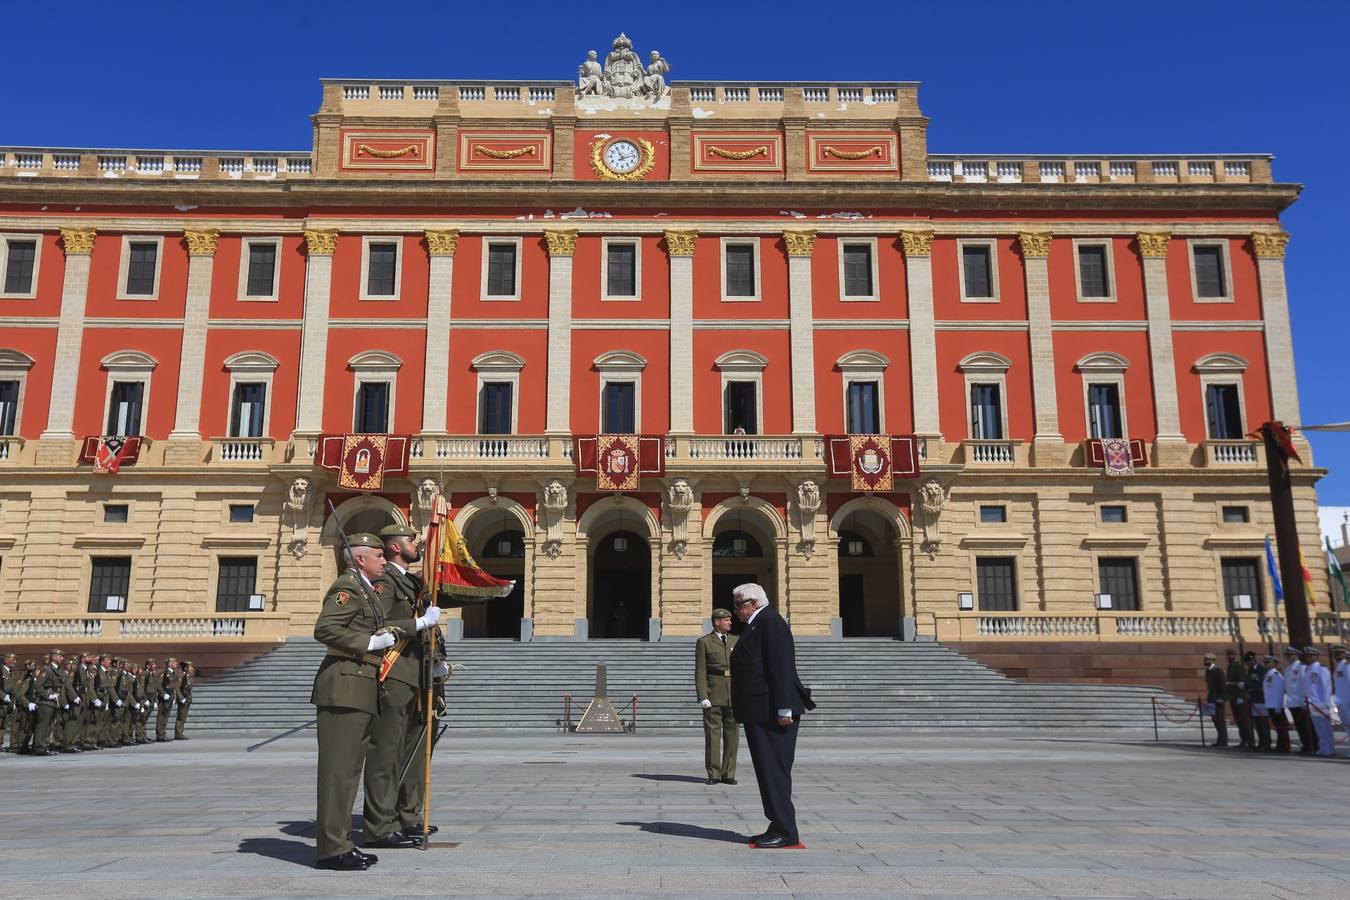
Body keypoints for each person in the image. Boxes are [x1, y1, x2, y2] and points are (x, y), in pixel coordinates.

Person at [311, 532, 401, 871]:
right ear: (361, 558)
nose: (383, 561)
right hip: (344, 688)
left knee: (348, 774)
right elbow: (325, 629)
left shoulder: (366, 590)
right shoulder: (347, 588)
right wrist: (370, 642)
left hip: (360, 687)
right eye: (379, 555)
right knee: (338, 774)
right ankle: (332, 849)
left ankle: (341, 844)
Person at [363, 523, 441, 850]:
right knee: (388, 751)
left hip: (417, 674)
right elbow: (377, 623)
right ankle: (381, 825)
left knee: (413, 747)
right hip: (394, 673)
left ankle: (407, 815)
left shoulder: (410, 581)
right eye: (411, 540)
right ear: (397, 547)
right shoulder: (384, 581)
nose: (416, 543)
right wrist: (419, 623)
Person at [729, 583, 808, 849]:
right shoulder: (757, 623)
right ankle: (777, 823)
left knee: (774, 770)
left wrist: (784, 707)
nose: (736, 610)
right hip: (760, 711)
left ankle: (786, 831)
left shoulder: (770, 622)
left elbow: (781, 666)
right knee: (767, 770)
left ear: (753, 603)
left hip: (773, 712)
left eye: (739, 605)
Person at [695, 608, 739, 785]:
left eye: (730, 619)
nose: (730, 622)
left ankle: (728, 773)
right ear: (716, 622)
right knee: (713, 736)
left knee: (733, 735)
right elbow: (700, 671)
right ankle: (713, 773)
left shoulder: (737, 640)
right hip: (714, 693)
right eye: (726, 620)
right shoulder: (705, 642)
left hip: (733, 693)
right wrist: (702, 695)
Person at [31, 648, 65, 756]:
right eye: (60, 656)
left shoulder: (59, 670)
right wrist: (48, 695)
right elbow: (38, 685)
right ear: (53, 657)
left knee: (49, 725)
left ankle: (45, 746)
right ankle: (39, 747)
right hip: (46, 702)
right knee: (43, 725)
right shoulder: (47, 670)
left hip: (54, 701)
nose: (62, 658)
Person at [1303, 646, 1334, 757]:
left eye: (1311, 655)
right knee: (1318, 728)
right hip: (1311, 703)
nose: (1308, 658)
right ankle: (1322, 748)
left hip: (1321, 703)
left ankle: (1329, 749)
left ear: (1316, 656)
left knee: (1325, 728)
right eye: (1307, 656)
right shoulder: (1307, 669)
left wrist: (1326, 703)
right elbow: (1307, 687)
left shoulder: (1322, 668)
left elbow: (1326, 687)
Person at [1284, 645, 1315, 755]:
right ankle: (1305, 745)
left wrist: (1306, 699)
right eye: (1287, 655)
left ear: (1296, 655)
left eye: (1290, 655)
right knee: (1299, 727)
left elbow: (1306, 684)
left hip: (1301, 701)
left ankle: (1311, 746)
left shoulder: (1302, 667)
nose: (1288, 657)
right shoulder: (1287, 669)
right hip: (1292, 702)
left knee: (1306, 726)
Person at [1224, 648, 1254, 750]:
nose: (1229, 656)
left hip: (1240, 697)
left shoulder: (1239, 667)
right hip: (1233, 696)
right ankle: (1244, 740)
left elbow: (1242, 682)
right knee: (1239, 720)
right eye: (1228, 654)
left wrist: (1240, 697)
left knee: (1245, 720)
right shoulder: (1230, 666)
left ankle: (1250, 741)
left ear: (1235, 655)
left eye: (1231, 654)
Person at [1262, 655, 1291, 753]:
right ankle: (1280, 745)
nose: (1265, 664)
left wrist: (1278, 706)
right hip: (1270, 704)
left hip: (1276, 704)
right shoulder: (1268, 674)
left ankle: (1284, 746)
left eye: (1268, 662)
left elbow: (1279, 691)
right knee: (1278, 727)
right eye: (1265, 662)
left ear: (1274, 664)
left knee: (1281, 727)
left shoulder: (1276, 675)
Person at [1243, 651, 1270, 751]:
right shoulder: (1250, 670)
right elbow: (1250, 682)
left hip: (1261, 698)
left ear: (1253, 660)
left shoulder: (1261, 670)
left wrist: (1253, 682)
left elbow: (1262, 683)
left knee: (1263, 723)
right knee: (1257, 723)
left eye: (1248, 662)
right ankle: (1261, 742)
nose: (1247, 664)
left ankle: (1266, 743)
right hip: (1254, 699)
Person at [1203, 653, 1228, 747]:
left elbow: (1222, 686)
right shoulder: (1208, 671)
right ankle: (1220, 739)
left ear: (1211, 660)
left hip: (1218, 698)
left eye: (1206, 660)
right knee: (1215, 719)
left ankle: (1223, 740)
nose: (1204, 661)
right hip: (1212, 697)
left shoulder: (1218, 671)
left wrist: (1221, 698)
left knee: (1220, 719)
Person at [156, 657, 180, 742]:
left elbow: (174, 687)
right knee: (161, 716)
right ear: (169, 663)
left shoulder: (173, 673)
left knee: (165, 717)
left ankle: (163, 733)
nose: (176, 664)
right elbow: (158, 685)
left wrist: (174, 697)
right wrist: (163, 694)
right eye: (174, 662)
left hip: (170, 697)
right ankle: (160, 735)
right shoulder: (163, 673)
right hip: (164, 698)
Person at [1333, 644, 1350, 754]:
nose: (1337, 655)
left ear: (1344, 653)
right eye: (1335, 653)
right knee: (1347, 727)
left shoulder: (1347, 666)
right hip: (1340, 701)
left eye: (1339, 653)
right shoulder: (1338, 666)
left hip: (1347, 701)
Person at [175, 661, 193, 740]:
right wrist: (181, 698)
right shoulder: (182, 676)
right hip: (183, 699)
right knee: (181, 717)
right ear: (186, 668)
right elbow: (177, 688)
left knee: (183, 717)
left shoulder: (188, 676)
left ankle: (180, 732)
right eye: (190, 667)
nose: (192, 668)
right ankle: (178, 733)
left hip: (187, 699)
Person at [1, 651, 15, 751]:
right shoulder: (1, 671)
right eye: (12, 659)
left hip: (8, 701)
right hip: (2, 700)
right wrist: (3, 696)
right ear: (6, 660)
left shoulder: (11, 672)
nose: (14, 661)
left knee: (3, 724)